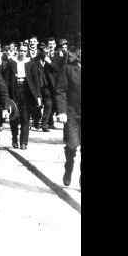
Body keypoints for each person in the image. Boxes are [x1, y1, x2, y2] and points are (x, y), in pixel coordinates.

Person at [3, 44, 43, 149]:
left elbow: (36, 81)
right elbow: (6, 80)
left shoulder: (31, 63)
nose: (22, 53)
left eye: (25, 51)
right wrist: (6, 96)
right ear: (18, 51)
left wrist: (38, 96)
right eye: (21, 50)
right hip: (14, 91)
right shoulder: (12, 62)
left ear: (27, 52)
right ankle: (14, 139)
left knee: (25, 117)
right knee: (14, 117)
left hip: (27, 92)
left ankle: (24, 142)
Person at [55, 45, 81, 187]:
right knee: (72, 145)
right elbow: (60, 91)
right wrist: (62, 111)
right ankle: (69, 167)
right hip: (72, 114)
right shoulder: (68, 68)